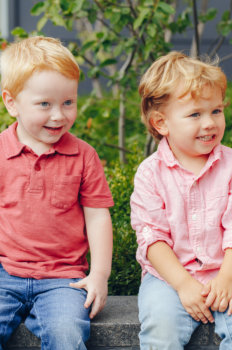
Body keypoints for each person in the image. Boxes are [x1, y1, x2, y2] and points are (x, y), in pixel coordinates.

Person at [130, 51, 232, 350]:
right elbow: (152, 239)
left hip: (227, 270)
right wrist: (183, 285)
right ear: (162, 123)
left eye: (216, 111)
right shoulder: (150, 174)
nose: (210, 123)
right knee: (161, 325)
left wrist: (229, 278)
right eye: (195, 114)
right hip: (168, 277)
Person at [0, 36, 114, 350]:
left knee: (67, 334)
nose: (58, 115)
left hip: (63, 278)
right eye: (44, 104)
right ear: (12, 103)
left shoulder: (83, 156)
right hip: (5, 272)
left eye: (68, 102)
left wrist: (99, 274)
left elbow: (97, 217)